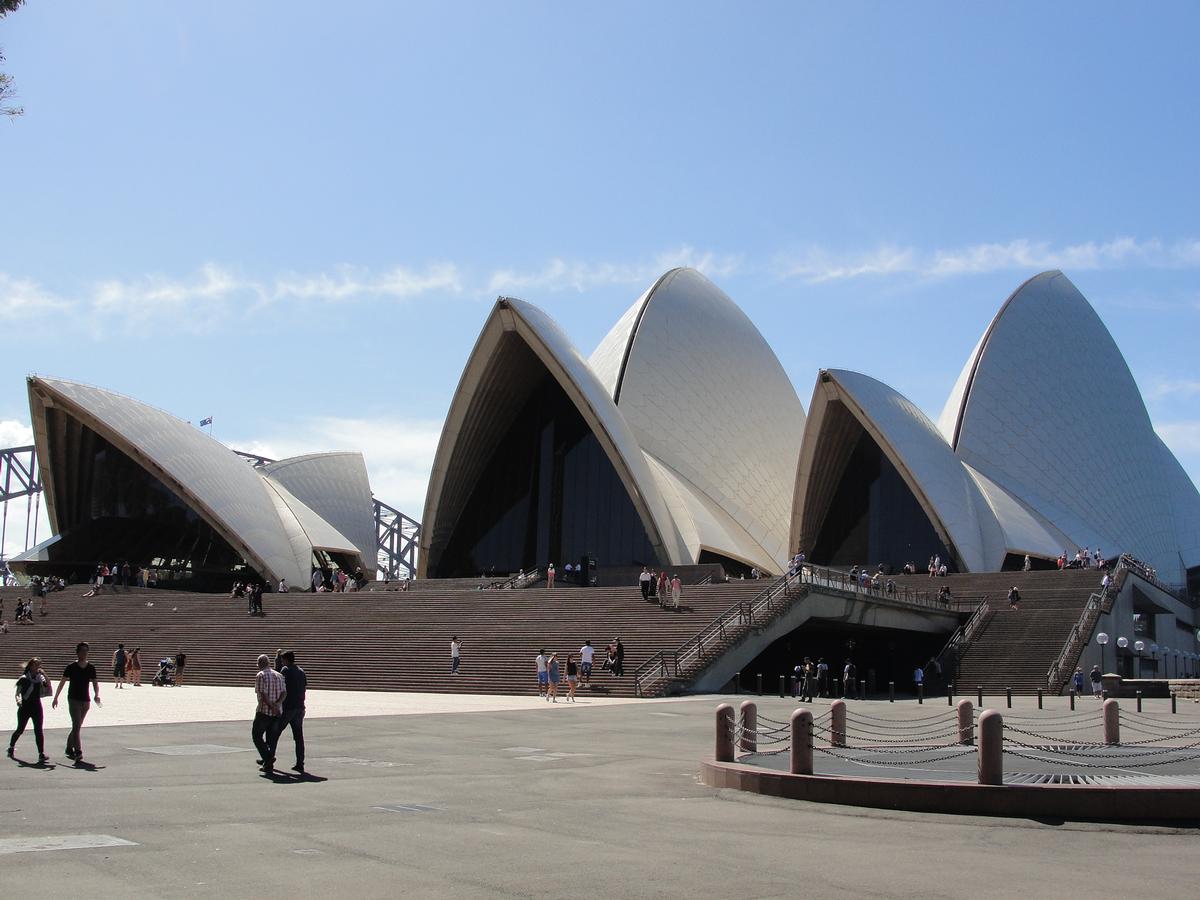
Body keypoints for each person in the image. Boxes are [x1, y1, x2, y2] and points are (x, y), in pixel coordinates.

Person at [52, 641, 100, 764]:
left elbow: (95, 682)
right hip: (73, 699)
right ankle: (78, 751)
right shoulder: (71, 667)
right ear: (77, 652)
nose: (84, 653)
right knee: (77, 725)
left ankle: (69, 747)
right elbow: (62, 682)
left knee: (77, 726)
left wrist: (96, 695)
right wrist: (56, 697)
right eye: (82, 650)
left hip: (86, 700)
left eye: (86, 650)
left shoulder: (91, 667)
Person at [8, 657, 50, 763]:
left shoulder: (40, 677)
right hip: (25, 707)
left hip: (36, 707)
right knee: (20, 729)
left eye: (39, 665)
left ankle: (41, 754)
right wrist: (18, 701)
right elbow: (17, 693)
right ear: (30, 666)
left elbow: (47, 685)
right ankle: (11, 746)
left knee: (38, 730)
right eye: (35, 664)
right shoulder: (24, 678)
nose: (38, 667)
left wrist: (44, 675)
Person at [272, 651, 307, 775]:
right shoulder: (301, 671)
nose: (282, 662)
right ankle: (300, 763)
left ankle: (268, 759)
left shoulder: (286, 670)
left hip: (288, 708)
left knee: (274, 733)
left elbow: (278, 681)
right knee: (298, 737)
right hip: (300, 707)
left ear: (286, 660)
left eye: (282, 660)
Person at [252, 653, 286, 774]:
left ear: (260, 664)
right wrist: (277, 705)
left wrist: (272, 707)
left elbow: (263, 695)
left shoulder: (261, 675)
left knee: (256, 735)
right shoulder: (279, 675)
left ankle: (268, 758)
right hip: (277, 713)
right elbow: (284, 693)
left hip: (264, 712)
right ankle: (268, 762)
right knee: (271, 738)